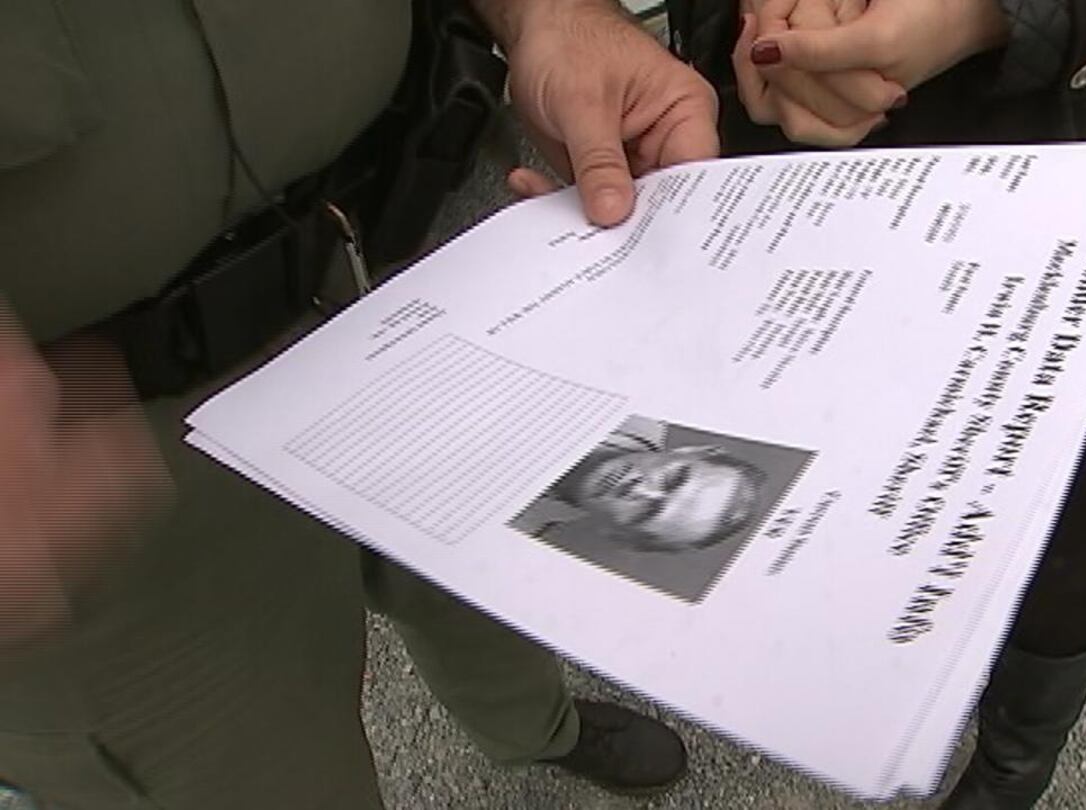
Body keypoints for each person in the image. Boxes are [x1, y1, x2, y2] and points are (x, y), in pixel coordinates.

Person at [0, 0, 718, 807]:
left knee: (494, 586)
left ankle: (538, 729)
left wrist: (547, 11)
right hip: (87, 445)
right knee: (261, 781)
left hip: (424, 240)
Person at [656, 0, 1086, 806]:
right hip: (805, 221)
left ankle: (1015, 763)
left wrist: (986, 15)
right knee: (836, 497)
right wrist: (749, 26)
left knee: (1049, 561)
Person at [513, 416, 768, 552]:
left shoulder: (512, 528)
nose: (637, 490)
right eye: (674, 479)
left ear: (618, 535)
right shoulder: (631, 390)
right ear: (692, 451)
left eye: (647, 512)